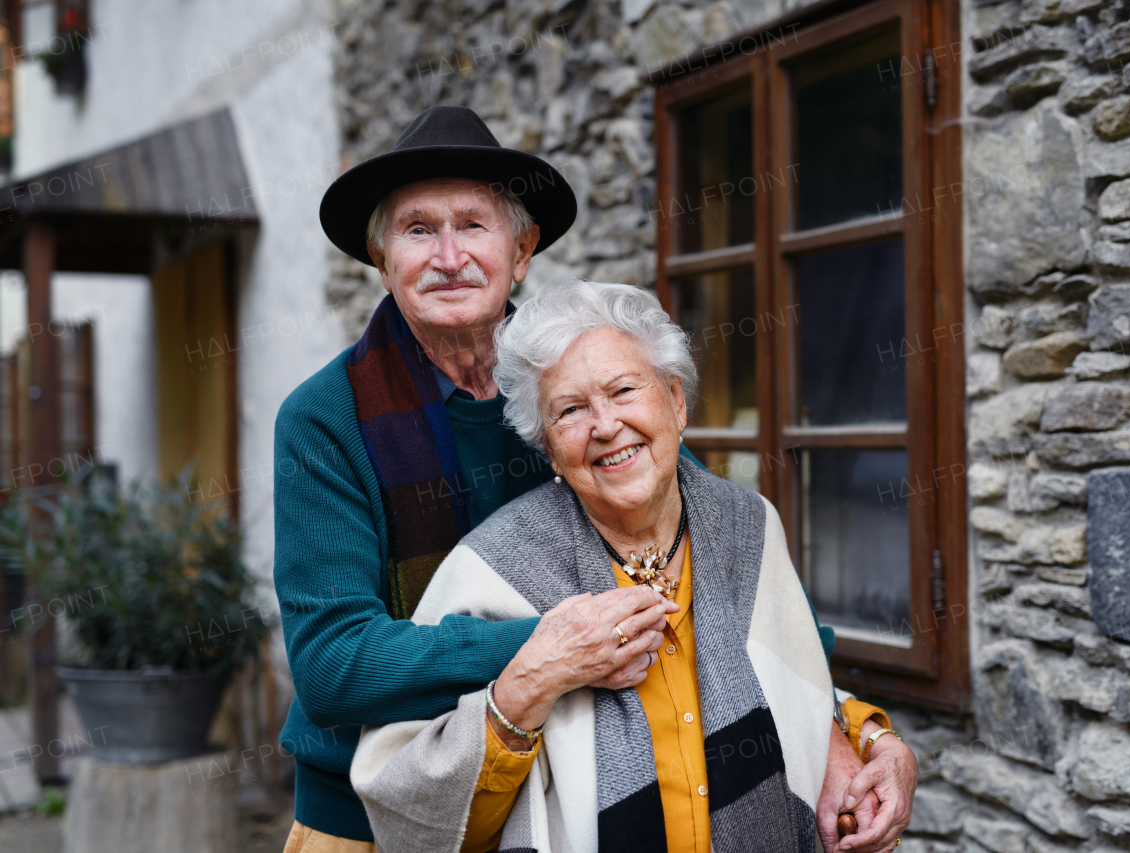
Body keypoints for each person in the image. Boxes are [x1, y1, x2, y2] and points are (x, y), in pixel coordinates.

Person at [276, 104, 914, 852]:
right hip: (372, 812)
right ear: (383, 260)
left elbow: (728, 554)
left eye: (474, 225)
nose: (449, 255)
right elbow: (330, 666)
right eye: (419, 230)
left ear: (521, 249)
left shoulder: (566, 379)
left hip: (566, 797)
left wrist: (841, 724)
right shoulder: (326, 419)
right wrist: (545, 648)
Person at [351, 281, 918, 853]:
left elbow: (795, 683)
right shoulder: (492, 567)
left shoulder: (746, 525)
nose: (604, 425)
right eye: (570, 410)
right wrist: (532, 684)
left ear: (675, 401)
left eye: (624, 390)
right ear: (547, 445)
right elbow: (429, 819)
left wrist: (875, 742)